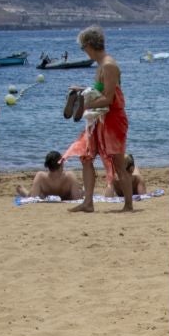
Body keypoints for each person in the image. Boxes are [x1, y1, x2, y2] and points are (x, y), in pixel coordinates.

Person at [67, 26, 132, 213]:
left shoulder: (109, 65)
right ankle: (88, 202)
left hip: (113, 120)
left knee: (119, 163)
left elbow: (109, 98)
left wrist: (83, 105)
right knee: (86, 157)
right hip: (99, 119)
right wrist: (83, 91)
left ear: (89, 45)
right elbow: (100, 92)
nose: (84, 51)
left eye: (83, 48)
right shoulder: (101, 65)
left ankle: (128, 205)